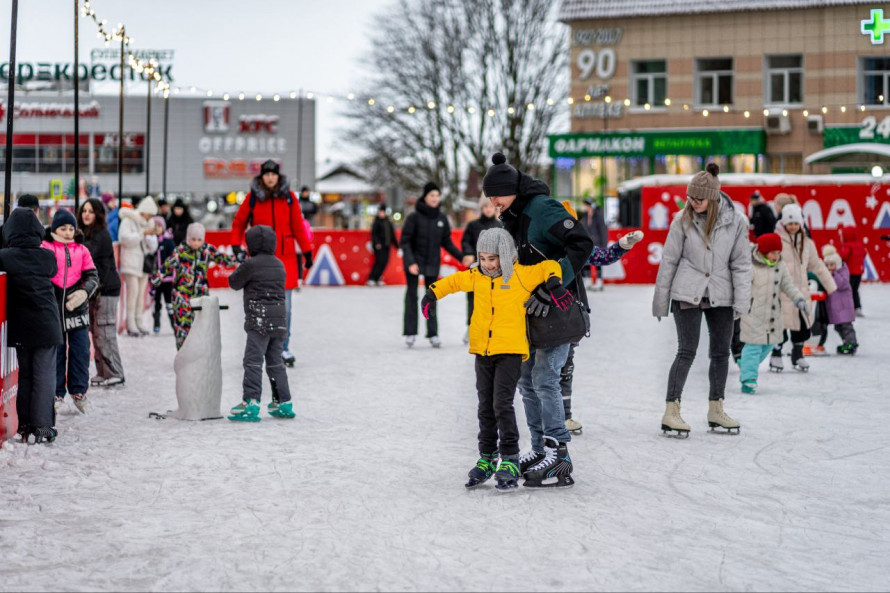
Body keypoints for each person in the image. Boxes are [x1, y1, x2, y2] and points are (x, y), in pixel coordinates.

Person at [420, 228, 571, 490]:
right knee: (484, 407)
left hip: (510, 351)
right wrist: (432, 293)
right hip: (482, 350)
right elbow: (453, 282)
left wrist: (554, 284)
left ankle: (509, 458)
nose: (488, 265)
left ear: (506, 255)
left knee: (502, 405)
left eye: (493, 258)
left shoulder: (521, 275)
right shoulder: (477, 276)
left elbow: (549, 266)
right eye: (483, 258)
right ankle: (487, 457)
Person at [484, 152, 596, 487]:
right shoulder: (513, 217)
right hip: (531, 313)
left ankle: (558, 454)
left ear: (512, 190)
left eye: (497, 196)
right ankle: (538, 448)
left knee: (546, 377)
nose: (493, 202)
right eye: (489, 197)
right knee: (525, 377)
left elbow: (582, 241)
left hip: (559, 307)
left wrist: (554, 283)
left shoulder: (542, 209)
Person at [653, 163, 751, 437]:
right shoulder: (680, 220)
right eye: (690, 198)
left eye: (699, 198)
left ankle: (716, 410)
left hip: (722, 293)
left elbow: (742, 264)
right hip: (687, 291)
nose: (693, 202)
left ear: (714, 196)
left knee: (721, 353)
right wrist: (661, 301)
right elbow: (669, 261)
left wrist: (742, 301)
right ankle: (671, 411)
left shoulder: (736, 222)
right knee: (687, 351)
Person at [231, 159, 313, 367]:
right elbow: (239, 223)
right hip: (259, 261)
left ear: (278, 176)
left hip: (285, 261)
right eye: (266, 174)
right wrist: (235, 244)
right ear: (261, 177)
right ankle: (261, 347)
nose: (270, 177)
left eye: (273, 174)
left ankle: (283, 348)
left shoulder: (289, 198)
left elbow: (298, 226)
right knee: (260, 306)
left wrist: (307, 251)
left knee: (284, 308)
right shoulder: (252, 199)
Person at [0, 208, 63, 443]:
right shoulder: (47, 256)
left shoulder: (4, 256)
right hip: (47, 324)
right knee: (45, 376)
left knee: (25, 376)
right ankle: (43, 426)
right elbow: (54, 272)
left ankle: (25, 425)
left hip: (21, 326)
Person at [227, 226, 295, 422]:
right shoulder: (279, 264)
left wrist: (241, 263)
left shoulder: (251, 264)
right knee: (275, 363)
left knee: (253, 361)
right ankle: (283, 402)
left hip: (259, 320)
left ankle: (251, 402)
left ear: (251, 245)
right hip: (279, 321)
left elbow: (234, 282)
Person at [42, 209, 99, 414]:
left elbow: (93, 276)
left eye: (71, 229)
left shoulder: (82, 250)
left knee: (81, 351)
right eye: (63, 228)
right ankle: (56, 392)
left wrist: (83, 293)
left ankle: (78, 390)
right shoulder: (45, 247)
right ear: (55, 228)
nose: (67, 232)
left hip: (77, 310)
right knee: (56, 353)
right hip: (54, 310)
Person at [771, 204, 836, 372]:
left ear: (801, 224)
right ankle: (776, 355)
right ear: (783, 223)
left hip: (801, 292)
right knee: (780, 327)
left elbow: (817, 265)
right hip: (781, 292)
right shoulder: (776, 241)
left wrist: (830, 285)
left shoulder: (807, 243)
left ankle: (798, 354)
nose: (793, 227)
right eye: (789, 223)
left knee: (802, 327)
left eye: (796, 223)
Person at [739, 233, 805, 394]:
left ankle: (746, 363)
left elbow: (788, 285)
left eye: (778, 252)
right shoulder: (752, 266)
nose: (776, 256)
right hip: (753, 314)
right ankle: (748, 379)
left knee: (768, 345)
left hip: (772, 315)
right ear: (763, 251)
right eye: (773, 252)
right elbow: (742, 286)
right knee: (754, 346)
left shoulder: (780, 266)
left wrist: (798, 298)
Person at [152, 223, 235, 350]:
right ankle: (183, 355)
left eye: (199, 240)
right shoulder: (180, 251)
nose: (196, 243)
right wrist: (157, 278)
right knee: (183, 329)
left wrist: (239, 259)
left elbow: (223, 259)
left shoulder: (207, 250)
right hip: (182, 296)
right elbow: (167, 265)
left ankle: (200, 355)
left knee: (201, 327)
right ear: (188, 238)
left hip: (201, 295)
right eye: (193, 240)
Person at [400, 182, 464, 347]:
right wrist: (410, 262)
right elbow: (405, 241)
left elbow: (447, 242)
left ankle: (433, 333)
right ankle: (410, 333)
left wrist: (462, 257)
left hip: (432, 262)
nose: (435, 198)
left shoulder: (441, 218)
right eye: (431, 195)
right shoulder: (414, 217)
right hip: (414, 262)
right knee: (412, 296)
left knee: (432, 296)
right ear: (425, 197)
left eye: (437, 195)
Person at [78, 198, 125, 388]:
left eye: (91, 211)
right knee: (96, 332)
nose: (86, 214)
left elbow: (87, 255)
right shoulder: (86, 234)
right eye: (84, 211)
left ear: (98, 214)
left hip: (106, 289)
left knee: (105, 331)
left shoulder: (101, 235)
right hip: (94, 290)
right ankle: (103, 372)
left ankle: (115, 373)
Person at [459, 196, 501, 342]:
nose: (488, 209)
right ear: (481, 209)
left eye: (490, 207)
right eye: (485, 207)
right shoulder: (473, 226)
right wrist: (469, 253)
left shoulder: (500, 226)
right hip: (476, 268)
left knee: (493, 299)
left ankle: (492, 329)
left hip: (495, 271)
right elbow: (465, 242)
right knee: (473, 299)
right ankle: (471, 328)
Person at [118, 197, 159, 336]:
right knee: (133, 293)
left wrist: (151, 238)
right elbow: (124, 239)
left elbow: (153, 247)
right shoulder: (129, 220)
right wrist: (142, 234)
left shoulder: (150, 223)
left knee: (141, 294)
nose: (150, 217)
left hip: (144, 263)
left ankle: (139, 321)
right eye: (149, 214)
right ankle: (131, 323)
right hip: (130, 261)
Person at [823, 251, 859, 355]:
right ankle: (846, 342)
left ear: (837, 264)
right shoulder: (830, 273)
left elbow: (842, 284)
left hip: (844, 306)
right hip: (836, 308)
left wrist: (833, 274)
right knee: (838, 327)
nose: (830, 267)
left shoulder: (842, 271)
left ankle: (852, 343)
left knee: (846, 326)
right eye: (827, 265)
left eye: (832, 265)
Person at [151, 216, 176, 333]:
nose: (157, 228)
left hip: (167, 278)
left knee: (169, 302)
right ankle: (156, 324)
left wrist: (172, 274)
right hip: (156, 279)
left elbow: (173, 258)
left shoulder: (168, 242)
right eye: (154, 226)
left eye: (159, 226)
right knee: (156, 302)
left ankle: (173, 324)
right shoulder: (151, 241)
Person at [837, 226, 865, 316]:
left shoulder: (847, 245)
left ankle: (848, 307)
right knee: (855, 290)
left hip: (850, 272)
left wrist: (838, 259)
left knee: (848, 290)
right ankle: (857, 307)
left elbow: (843, 256)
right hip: (859, 272)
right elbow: (864, 254)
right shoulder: (860, 244)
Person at [367, 204, 398, 286]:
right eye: (380, 212)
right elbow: (374, 234)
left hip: (387, 245)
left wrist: (397, 246)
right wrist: (377, 243)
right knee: (379, 261)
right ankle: (372, 278)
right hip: (379, 246)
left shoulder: (388, 222)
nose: (382, 214)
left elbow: (392, 235)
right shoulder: (377, 222)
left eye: (383, 212)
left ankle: (378, 278)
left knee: (385, 262)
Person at [582, 196, 608, 291]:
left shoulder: (598, 214)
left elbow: (602, 230)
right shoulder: (585, 215)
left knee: (598, 261)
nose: (586, 207)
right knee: (586, 261)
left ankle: (599, 282)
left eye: (587, 205)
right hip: (588, 243)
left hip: (598, 243)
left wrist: (604, 244)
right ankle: (588, 280)